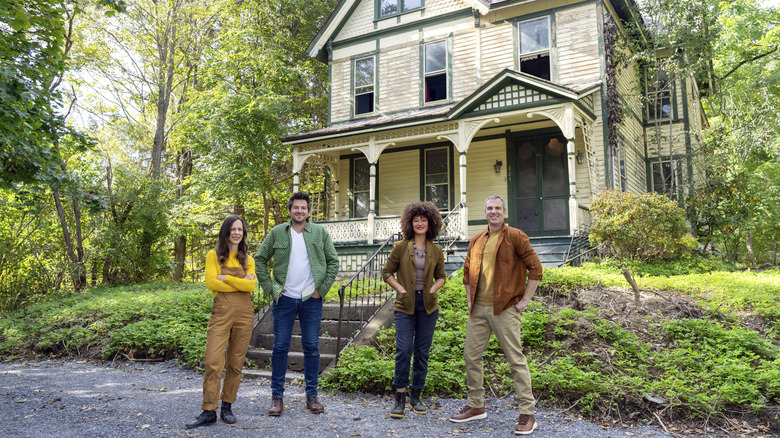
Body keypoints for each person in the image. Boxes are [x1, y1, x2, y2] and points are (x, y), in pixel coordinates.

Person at [449, 195, 544, 435]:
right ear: (485, 212)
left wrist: (524, 301)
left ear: (505, 212)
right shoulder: (477, 239)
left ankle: (527, 413)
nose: (494, 212)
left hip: (505, 308)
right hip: (478, 310)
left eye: (498, 208)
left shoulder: (515, 236)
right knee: (471, 357)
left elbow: (536, 268)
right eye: (490, 208)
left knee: (515, 359)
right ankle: (476, 405)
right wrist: (470, 297)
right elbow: (467, 271)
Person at [255, 192, 339, 416]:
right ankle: (277, 398)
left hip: (311, 298)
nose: (300, 211)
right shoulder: (277, 233)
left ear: (309, 212)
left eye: (304, 208)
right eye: (296, 208)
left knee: (311, 346)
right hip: (284, 299)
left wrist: (321, 291)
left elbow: (333, 262)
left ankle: (312, 396)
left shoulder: (320, 233)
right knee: (280, 347)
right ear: (290, 210)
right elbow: (259, 259)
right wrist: (271, 288)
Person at [186, 215, 257, 429]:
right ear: (225, 232)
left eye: (240, 230)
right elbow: (210, 282)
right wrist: (239, 282)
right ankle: (209, 410)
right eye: (233, 229)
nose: (237, 233)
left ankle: (227, 406)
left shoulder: (248, 259)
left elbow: (251, 288)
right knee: (213, 362)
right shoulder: (213, 256)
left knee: (235, 363)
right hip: (221, 314)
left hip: (245, 315)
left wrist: (225, 278)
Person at [381, 201, 446, 419]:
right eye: (416, 220)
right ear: (410, 223)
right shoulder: (400, 247)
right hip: (404, 306)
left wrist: (433, 289)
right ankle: (399, 397)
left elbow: (441, 277)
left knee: (422, 352)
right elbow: (387, 272)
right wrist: (400, 289)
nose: (420, 223)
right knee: (404, 350)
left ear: (431, 223)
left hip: (428, 306)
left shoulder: (436, 250)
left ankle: (416, 396)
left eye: (423, 220)